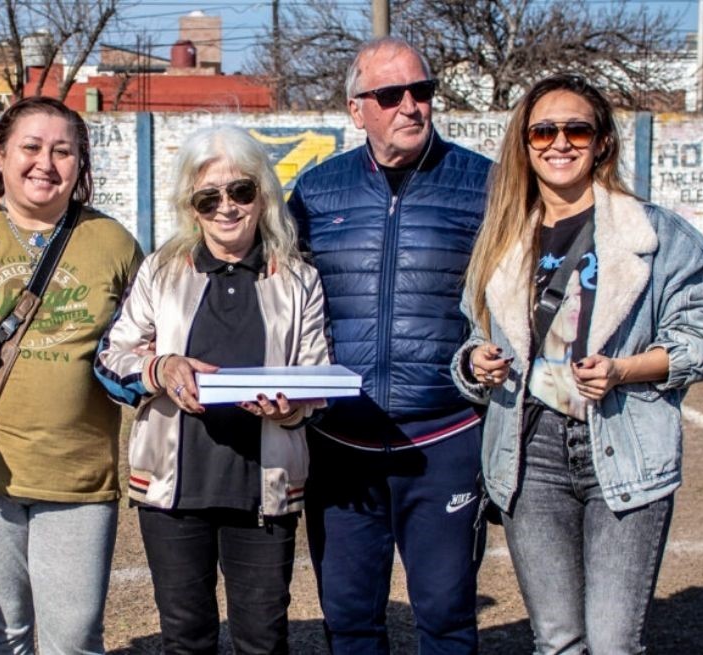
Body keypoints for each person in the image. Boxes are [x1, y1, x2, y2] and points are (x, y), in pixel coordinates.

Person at [453, 73, 703, 655]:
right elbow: (471, 341)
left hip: (621, 442)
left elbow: (701, 336)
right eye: (544, 131)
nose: (560, 143)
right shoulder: (503, 240)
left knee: (611, 643)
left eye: (576, 128)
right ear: (525, 145)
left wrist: (624, 370)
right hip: (530, 452)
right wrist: (476, 363)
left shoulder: (653, 233)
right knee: (556, 640)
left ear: (602, 141)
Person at [285, 37, 492, 653]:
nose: (411, 106)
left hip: (444, 441)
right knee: (349, 622)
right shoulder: (316, 192)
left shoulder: (485, 185)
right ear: (356, 110)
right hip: (340, 445)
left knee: (448, 619)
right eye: (390, 94)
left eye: (422, 91)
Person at [95, 125, 329, 654]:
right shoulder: (159, 270)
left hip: (265, 487)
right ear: (191, 206)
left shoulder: (297, 278)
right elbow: (110, 359)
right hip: (174, 491)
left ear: (262, 194)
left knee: (263, 640)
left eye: (240, 191)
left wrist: (290, 408)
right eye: (209, 197)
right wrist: (162, 368)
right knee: (185, 638)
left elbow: (318, 379)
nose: (227, 207)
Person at [0, 96, 142, 653]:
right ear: (0, 155)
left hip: (78, 476)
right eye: (30, 147)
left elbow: (147, 337)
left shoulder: (113, 243)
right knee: (1, 636)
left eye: (63, 151)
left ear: (80, 165)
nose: (45, 162)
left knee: (73, 641)